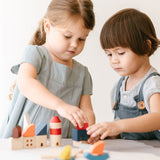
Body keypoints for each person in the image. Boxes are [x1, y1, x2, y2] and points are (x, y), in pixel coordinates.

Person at [0, 0, 95, 138]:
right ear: (47, 27)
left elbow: (87, 110)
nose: (74, 44)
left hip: (61, 145)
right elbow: (26, 83)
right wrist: (60, 105)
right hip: (25, 142)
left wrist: (90, 131)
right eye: (67, 36)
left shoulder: (82, 73)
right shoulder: (35, 54)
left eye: (81, 39)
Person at [87, 8, 160, 143]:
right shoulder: (118, 88)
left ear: (145, 47)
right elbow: (122, 130)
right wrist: (108, 132)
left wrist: (118, 126)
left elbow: (158, 118)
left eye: (120, 53)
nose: (114, 60)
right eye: (109, 54)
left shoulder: (152, 84)